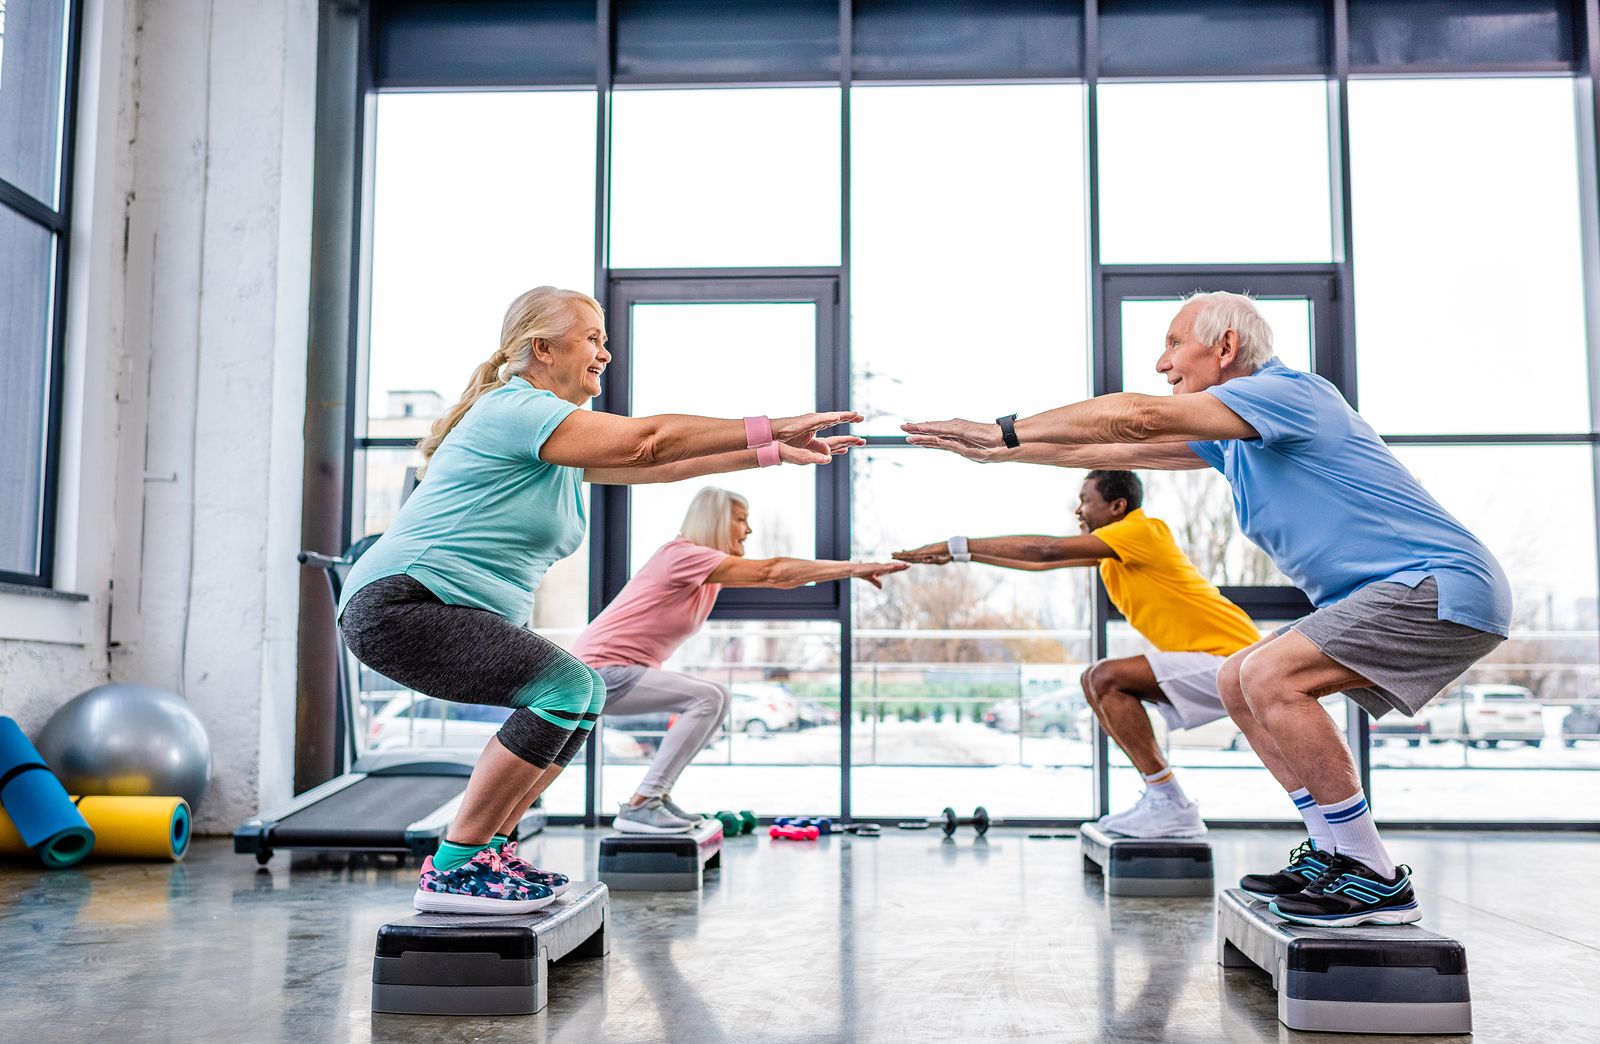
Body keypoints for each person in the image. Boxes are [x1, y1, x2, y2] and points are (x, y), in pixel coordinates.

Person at [903, 290, 1510, 927]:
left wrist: (1002, 428)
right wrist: (997, 450)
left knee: (1270, 676)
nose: (1163, 365)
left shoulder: (1292, 394)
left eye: (1173, 344)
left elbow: (1134, 418)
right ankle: (1336, 853)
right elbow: (1113, 451)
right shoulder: (1239, 437)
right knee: (1237, 679)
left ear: (1225, 347)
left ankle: (1373, 873)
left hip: (1438, 583)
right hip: (1393, 592)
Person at [337, 285, 863, 914]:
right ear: (541, 348)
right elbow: (648, 442)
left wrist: (773, 453)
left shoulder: (553, 445)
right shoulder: (516, 410)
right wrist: (772, 422)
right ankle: (453, 868)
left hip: (440, 608)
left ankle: (489, 852)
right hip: (405, 603)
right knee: (565, 685)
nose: (605, 354)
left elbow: (662, 468)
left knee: (579, 691)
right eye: (592, 339)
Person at [893, 470, 1260, 838]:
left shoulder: (1141, 530)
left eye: (1086, 499)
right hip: (1221, 662)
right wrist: (962, 556)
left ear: (1118, 506)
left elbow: (1046, 549)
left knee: (1105, 678)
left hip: (1235, 660)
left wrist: (957, 544)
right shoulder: (1116, 549)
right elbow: (1041, 562)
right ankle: (1167, 799)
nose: (1078, 509)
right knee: (1100, 681)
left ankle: (1170, 802)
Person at [572, 487, 906, 833]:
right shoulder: (682, 555)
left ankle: (653, 797)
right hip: (595, 674)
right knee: (710, 696)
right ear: (714, 520)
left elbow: (779, 577)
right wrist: (854, 569)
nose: (748, 530)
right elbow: (773, 572)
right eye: (741, 519)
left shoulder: (704, 570)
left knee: (715, 699)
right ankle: (643, 803)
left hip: (615, 673)